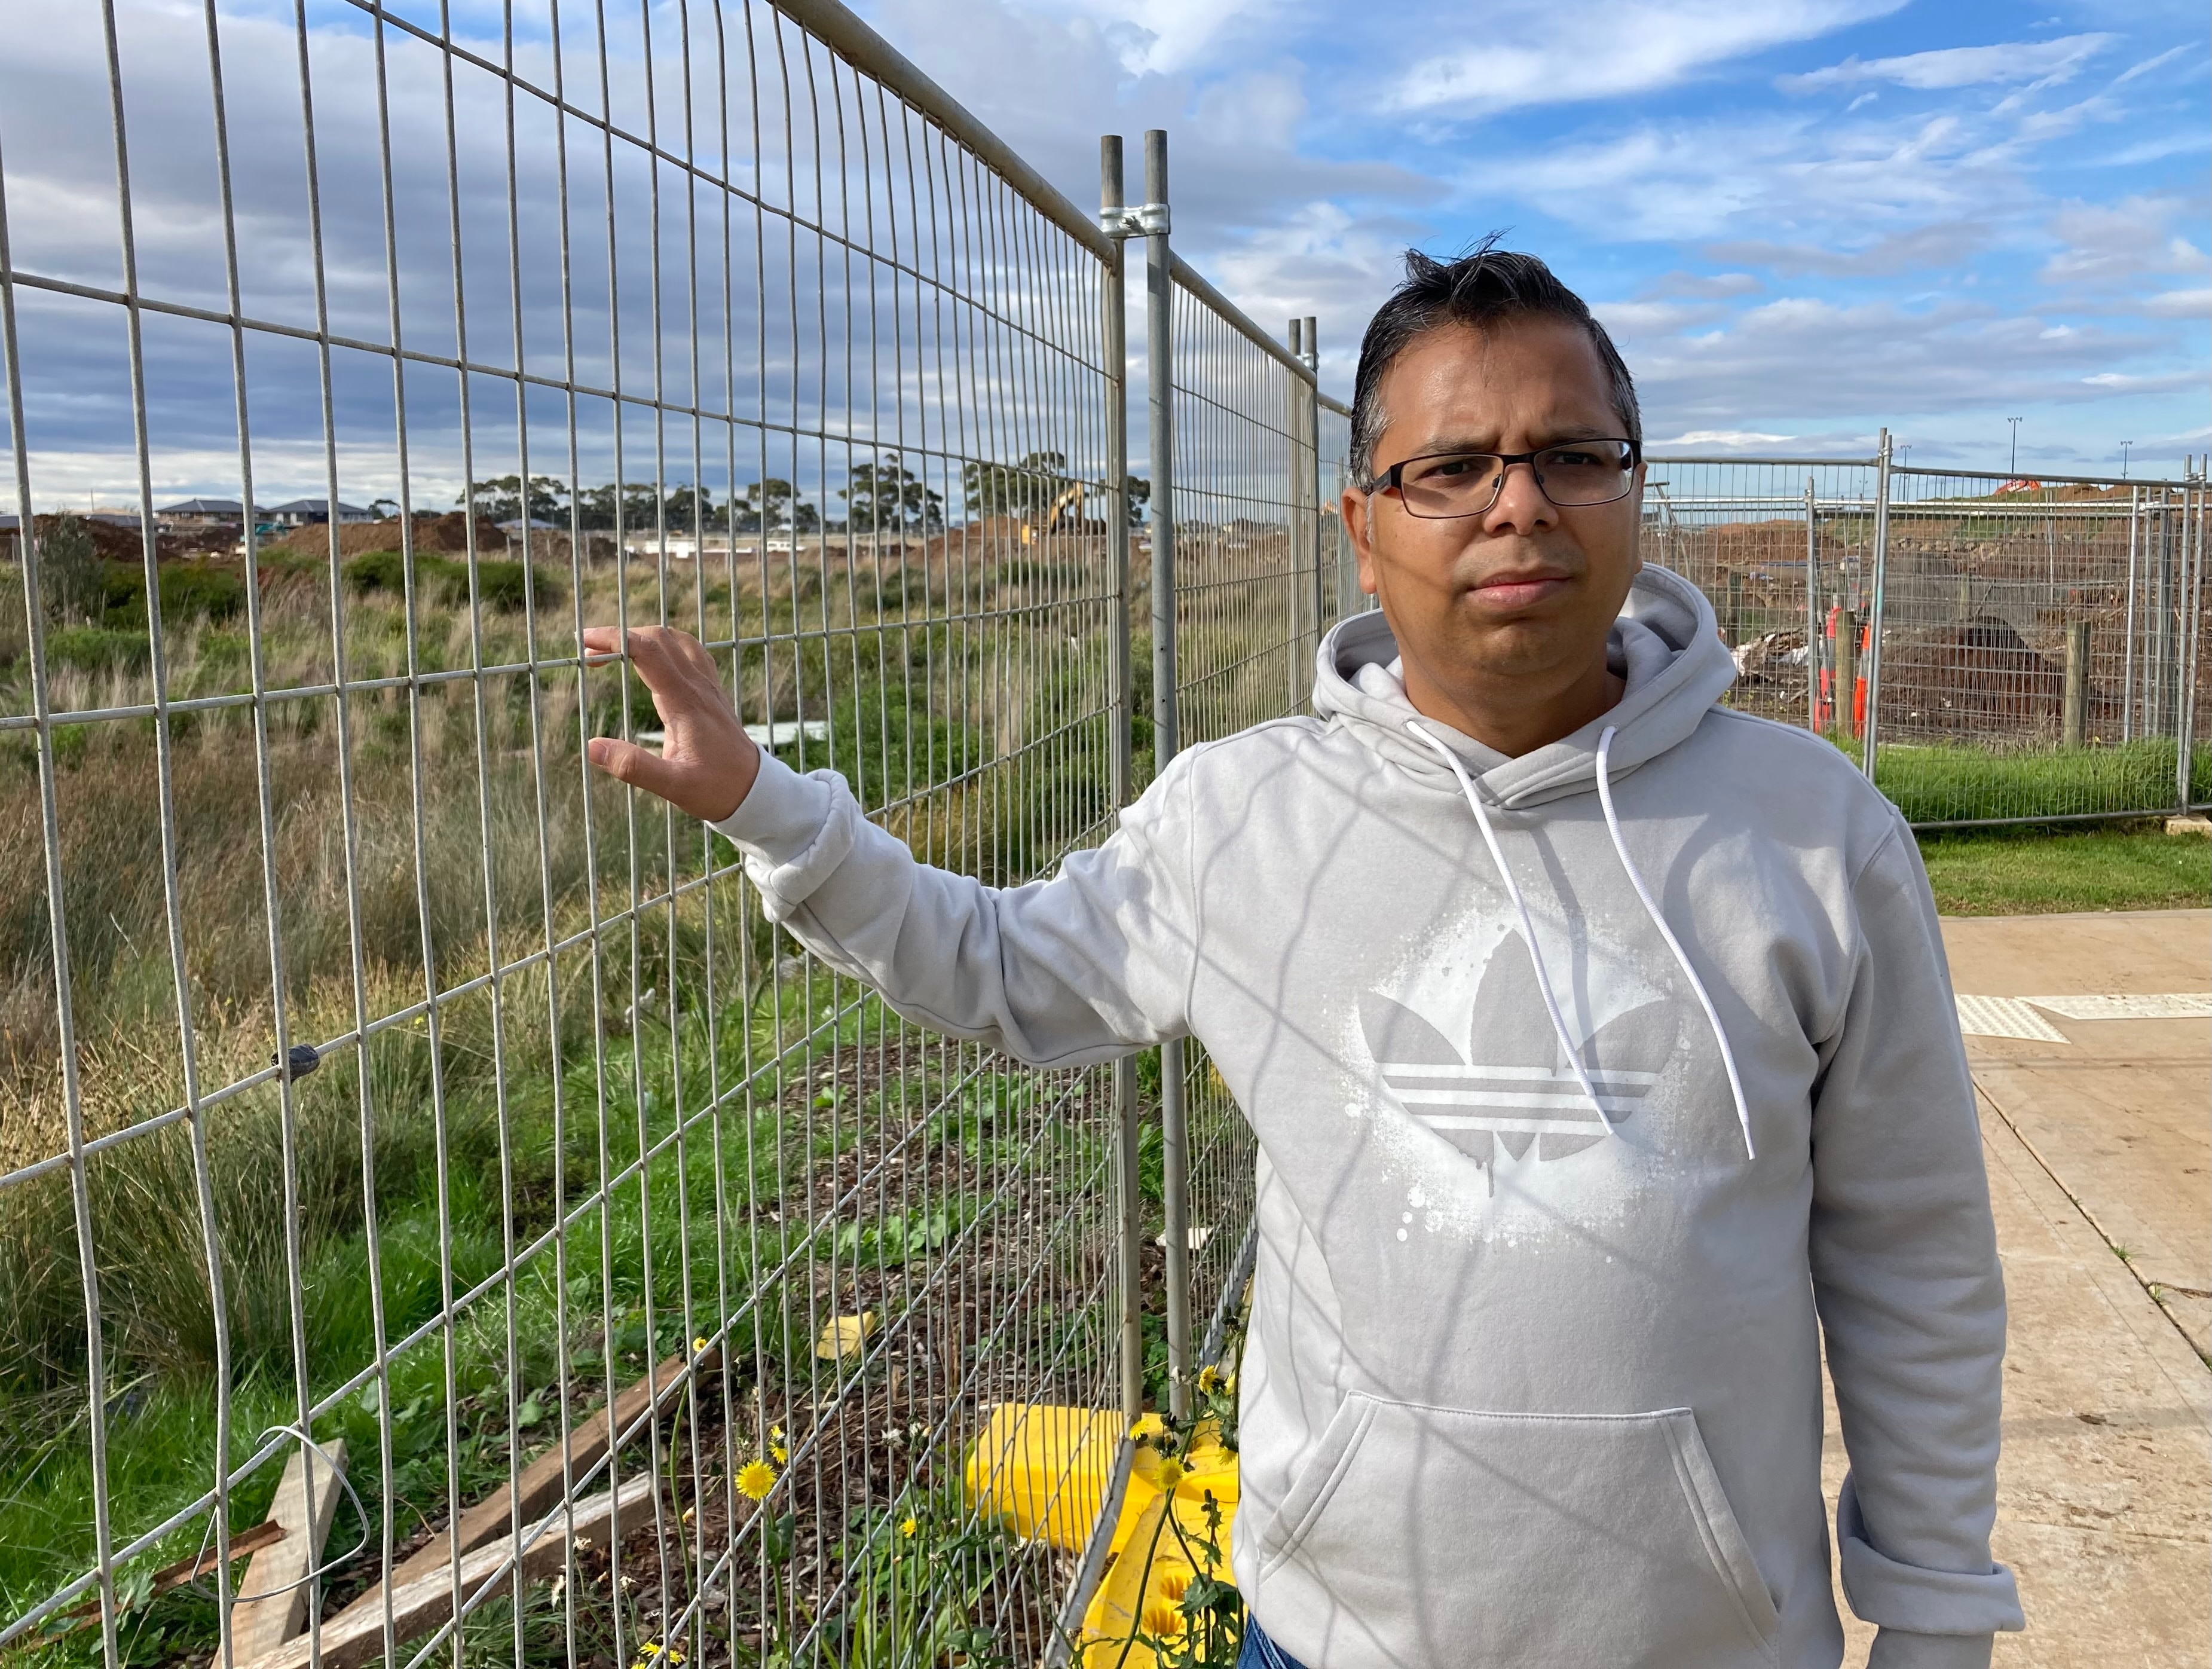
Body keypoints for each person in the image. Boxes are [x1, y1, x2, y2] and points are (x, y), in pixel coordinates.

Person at [583, 242, 2023, 1669]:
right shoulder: (1246, 819)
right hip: (1334, 1636)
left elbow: (1917, 1253)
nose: (1519, 505)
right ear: (1364, 522)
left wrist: (1940, 1613)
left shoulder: (1818, 833)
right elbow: (996, 965)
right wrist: (773, 811)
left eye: (1573, 455)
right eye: (1451, 468)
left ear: (1632, 489)